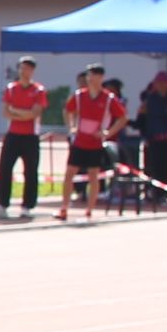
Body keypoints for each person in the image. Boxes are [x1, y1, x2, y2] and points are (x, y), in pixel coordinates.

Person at [0, 57, 46, 219]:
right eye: (21, 68)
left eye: (27, 69)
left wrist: (16, 111)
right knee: (5, 169)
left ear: (32, 71)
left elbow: (34, 113)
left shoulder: (38, 90)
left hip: (30, 137)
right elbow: (5, 112)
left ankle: (27, 206)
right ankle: (2, 205)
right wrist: (22, 114)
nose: (23, 72)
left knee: (30, 171)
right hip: (13, 135)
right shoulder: (11, 88)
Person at [61, 64, 116, 221]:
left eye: (93, 75)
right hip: (79, 141)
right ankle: (64, 208)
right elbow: (67, 110)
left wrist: (108, 132)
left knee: (93, 176)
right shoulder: (79, 95)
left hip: (95, 143)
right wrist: (71, 127)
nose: (90, 79)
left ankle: (90, 210)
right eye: (88, 75)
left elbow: (122, 117)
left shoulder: (108, 98)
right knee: (69, 173)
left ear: (101, 77)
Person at [135, 59, 167, 194]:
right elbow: (157, 113)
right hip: (155, 137)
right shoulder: (151, 99)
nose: (163, 86)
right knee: (156, 166)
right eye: (160, 83)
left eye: (165, 83)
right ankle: (157, 192)